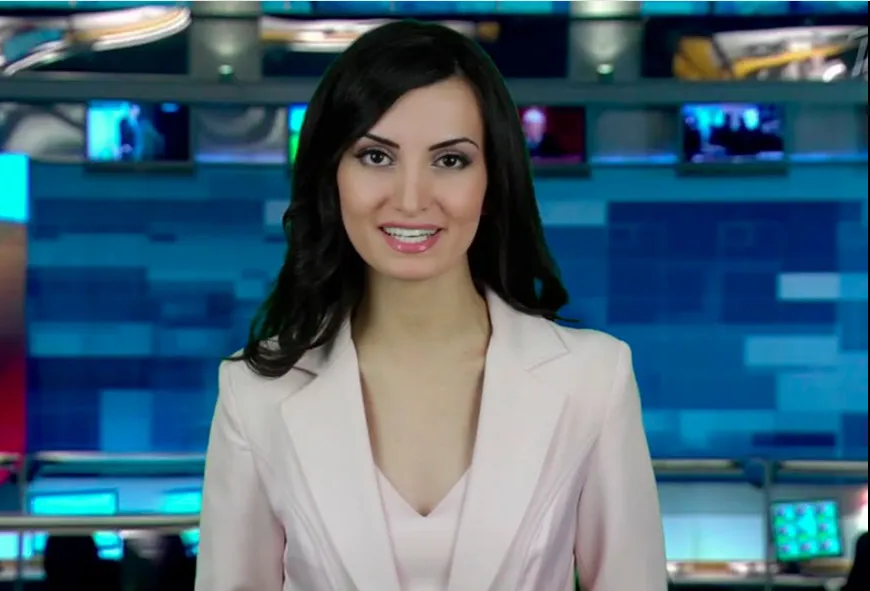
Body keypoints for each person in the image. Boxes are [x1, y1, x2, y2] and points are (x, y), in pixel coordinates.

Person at [195, 20, 666, 591]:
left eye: (450, 161)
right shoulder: (255, 393)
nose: (412, 199)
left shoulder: (593, 378)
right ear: (331, 176)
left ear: (492, 182)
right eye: (376, 156)